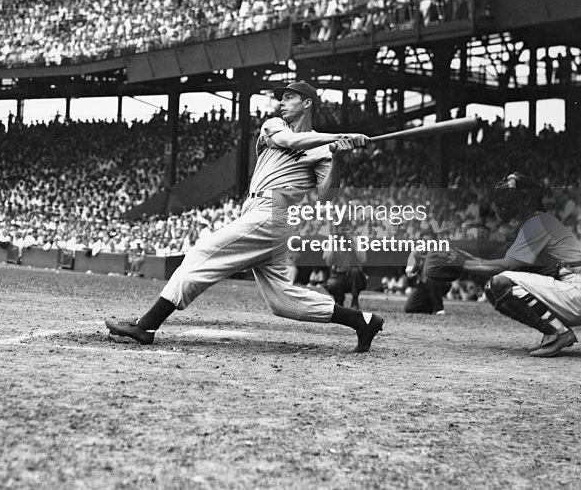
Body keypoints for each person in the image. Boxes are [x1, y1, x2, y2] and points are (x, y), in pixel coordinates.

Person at [105, 81, 385, 353]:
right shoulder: (275, 126)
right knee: (282, 301)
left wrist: (337, 155)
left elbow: (327, 195)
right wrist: (336, 137)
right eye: (282, 98)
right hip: (258, 212)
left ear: (307, 103)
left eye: (289, 98)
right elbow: (291, 141)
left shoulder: (323, 149)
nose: (282, 102)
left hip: (273, 213)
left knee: (200, 254)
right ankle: (362, 321)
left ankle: (147, 326)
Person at [456, 172, 581, 358]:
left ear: (527, 198)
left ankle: (559, 333)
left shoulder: (537, 223)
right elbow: (498, 261)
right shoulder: (533, 223)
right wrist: (467, 259)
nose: (504, 200)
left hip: (577, 292)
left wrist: (461, 265)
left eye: (510, 195)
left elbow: (504, 267)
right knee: (493, 287)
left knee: (501, 283)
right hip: (572, 290)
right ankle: (554, 331)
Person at [323, 244, 367, 310]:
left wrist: (353, 243)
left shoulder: (356, 241)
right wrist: (332, 246)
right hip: (337, 275)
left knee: (355, 271)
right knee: (332, 284)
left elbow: (363, 259)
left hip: (353, 277)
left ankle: (355, 301)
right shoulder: (332, 241)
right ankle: (339, 301)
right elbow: (328, 263)